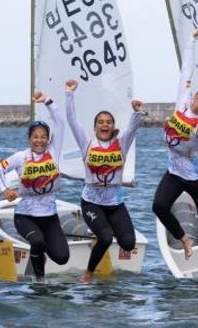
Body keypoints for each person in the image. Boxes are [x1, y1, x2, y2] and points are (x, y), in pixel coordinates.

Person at [152, 25, 198, 275]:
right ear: (195, 94)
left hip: (196, 176)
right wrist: (192, 41)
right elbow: (187, 69)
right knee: (159, 206)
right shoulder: (183, 101)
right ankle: (184, 239)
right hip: (174, 171)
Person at [64, 78, 144, 284]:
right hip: (91, 200)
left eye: (108, 122)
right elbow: (72, 121)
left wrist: (136, 111)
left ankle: (102, 228)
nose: (105, 125)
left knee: (128, 243)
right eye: (101, 122)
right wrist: (69, 94)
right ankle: (88, 272)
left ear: (113, 126)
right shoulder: (87, 142)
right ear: (95, 127)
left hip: (115, 202)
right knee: (106, 238)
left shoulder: (121, 142)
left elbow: (133, 128)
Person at [0, 91, 69, 282]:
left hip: (49, 216)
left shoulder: (53, 151)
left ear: (48, 139)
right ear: (29, 139)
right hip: (25, 215)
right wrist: (5, 189)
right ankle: (39, 280)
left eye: (44, 137)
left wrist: (47, 102)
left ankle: (38, 252)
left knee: (62, 258)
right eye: (35, 136)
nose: (40, 140)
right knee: (37, 240)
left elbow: (60, 122)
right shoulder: (21, 157)